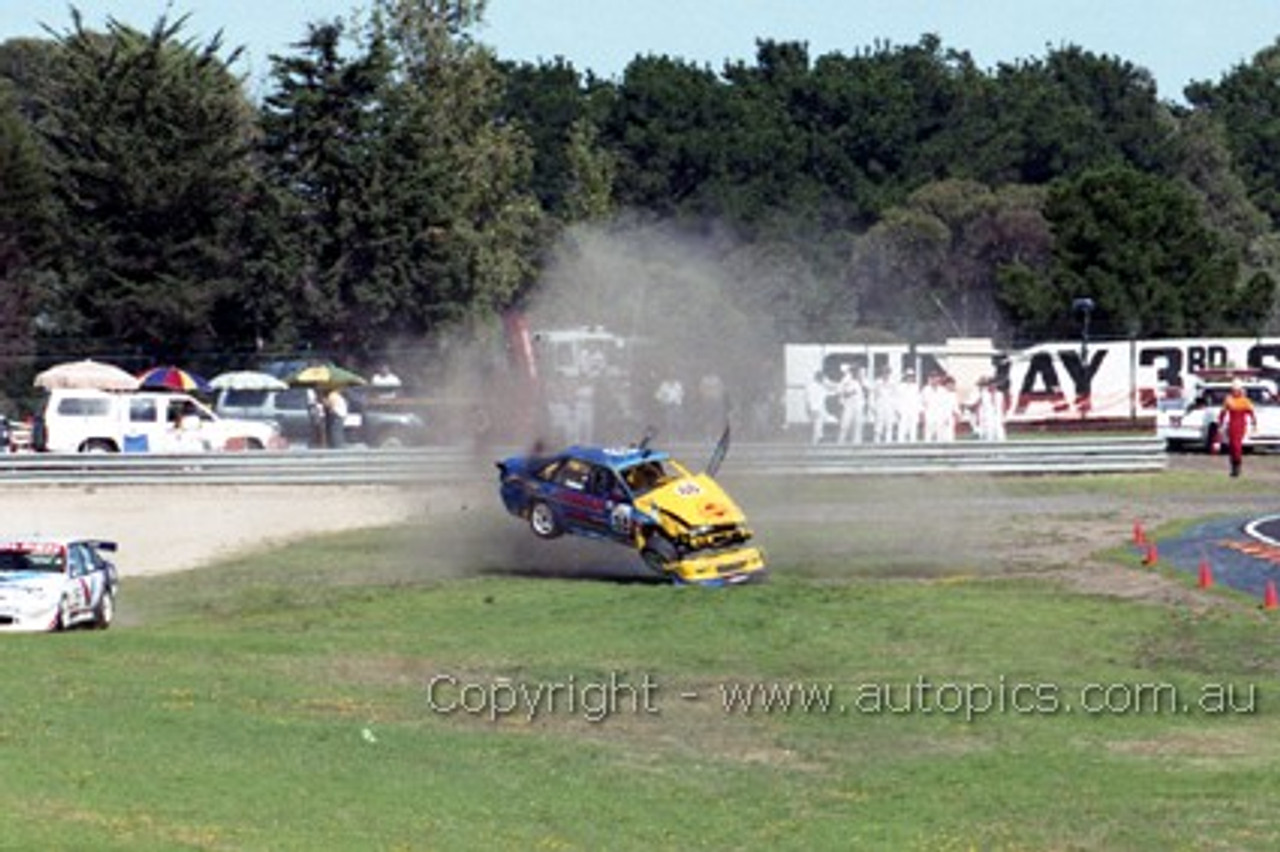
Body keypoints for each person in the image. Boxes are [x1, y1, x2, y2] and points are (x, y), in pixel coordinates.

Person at [1215, 378, 1257, 477]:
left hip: (1241, 425)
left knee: (1237, 446)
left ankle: (1237, 466)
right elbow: (1222, 414)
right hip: (1232, 424)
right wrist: (1220, 425)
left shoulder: (1245, 401)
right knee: (1232, 447)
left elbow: (1251, 413)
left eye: (1237, 389)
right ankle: (1234, 467)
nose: (1235, 391)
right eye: (1233, 389)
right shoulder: (1229, 400)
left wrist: (1254, 424)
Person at [836, 363, 866, 444]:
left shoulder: (861, 380)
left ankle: (857, 444)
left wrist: (862, 381)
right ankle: (840, 443)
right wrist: (848, 393)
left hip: (858, 405)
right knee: (845, 424)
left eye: (857, 371)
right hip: (848, 404)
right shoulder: (846, 380)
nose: (855, 373)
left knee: (857, 425)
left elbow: (867, 390)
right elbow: (839, 391)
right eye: (854, 371)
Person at [805, 370, 834, 445]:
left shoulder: (810, 386)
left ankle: (818, 438)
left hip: (813, 408)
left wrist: (808, 409)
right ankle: (816, 441)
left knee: (817, 424)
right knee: (818, 425)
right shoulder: (820, 387)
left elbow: (807, 400)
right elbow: (831, 391)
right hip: (818, 408)